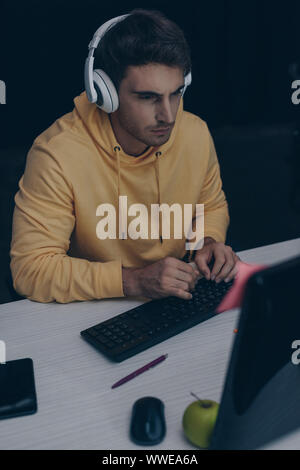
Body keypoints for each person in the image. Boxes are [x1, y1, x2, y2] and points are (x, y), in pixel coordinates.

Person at [10, 9, 239, 304]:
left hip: (176, 295)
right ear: (105, 94)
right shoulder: (56, 154)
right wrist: (133, 281)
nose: (168, 115)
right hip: (95, 306)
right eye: (148, 97)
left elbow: (208, 207)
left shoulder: (195, 132)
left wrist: (206, 242)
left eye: (176, 93)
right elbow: (30, 269)